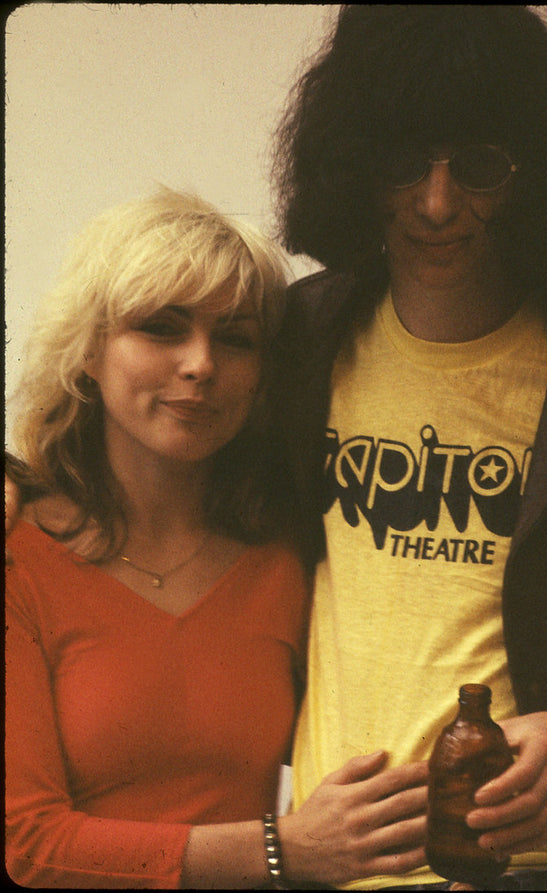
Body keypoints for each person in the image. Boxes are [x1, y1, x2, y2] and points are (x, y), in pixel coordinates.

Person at [4, 187, 429, 889]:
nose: (201, 363)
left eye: (236, 338)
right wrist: (282, 849)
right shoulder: (20, 557)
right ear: (87, 352)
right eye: (162, 327)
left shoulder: (292, 551)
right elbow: (27, 844)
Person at [271, 5, 547, 890]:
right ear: (355, 166)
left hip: (519, 868)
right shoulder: (302, 337)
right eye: (403, 162)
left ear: (529, 174)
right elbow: (153, 476)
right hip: (328, 861)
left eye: (480, 167)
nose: (438, 202)